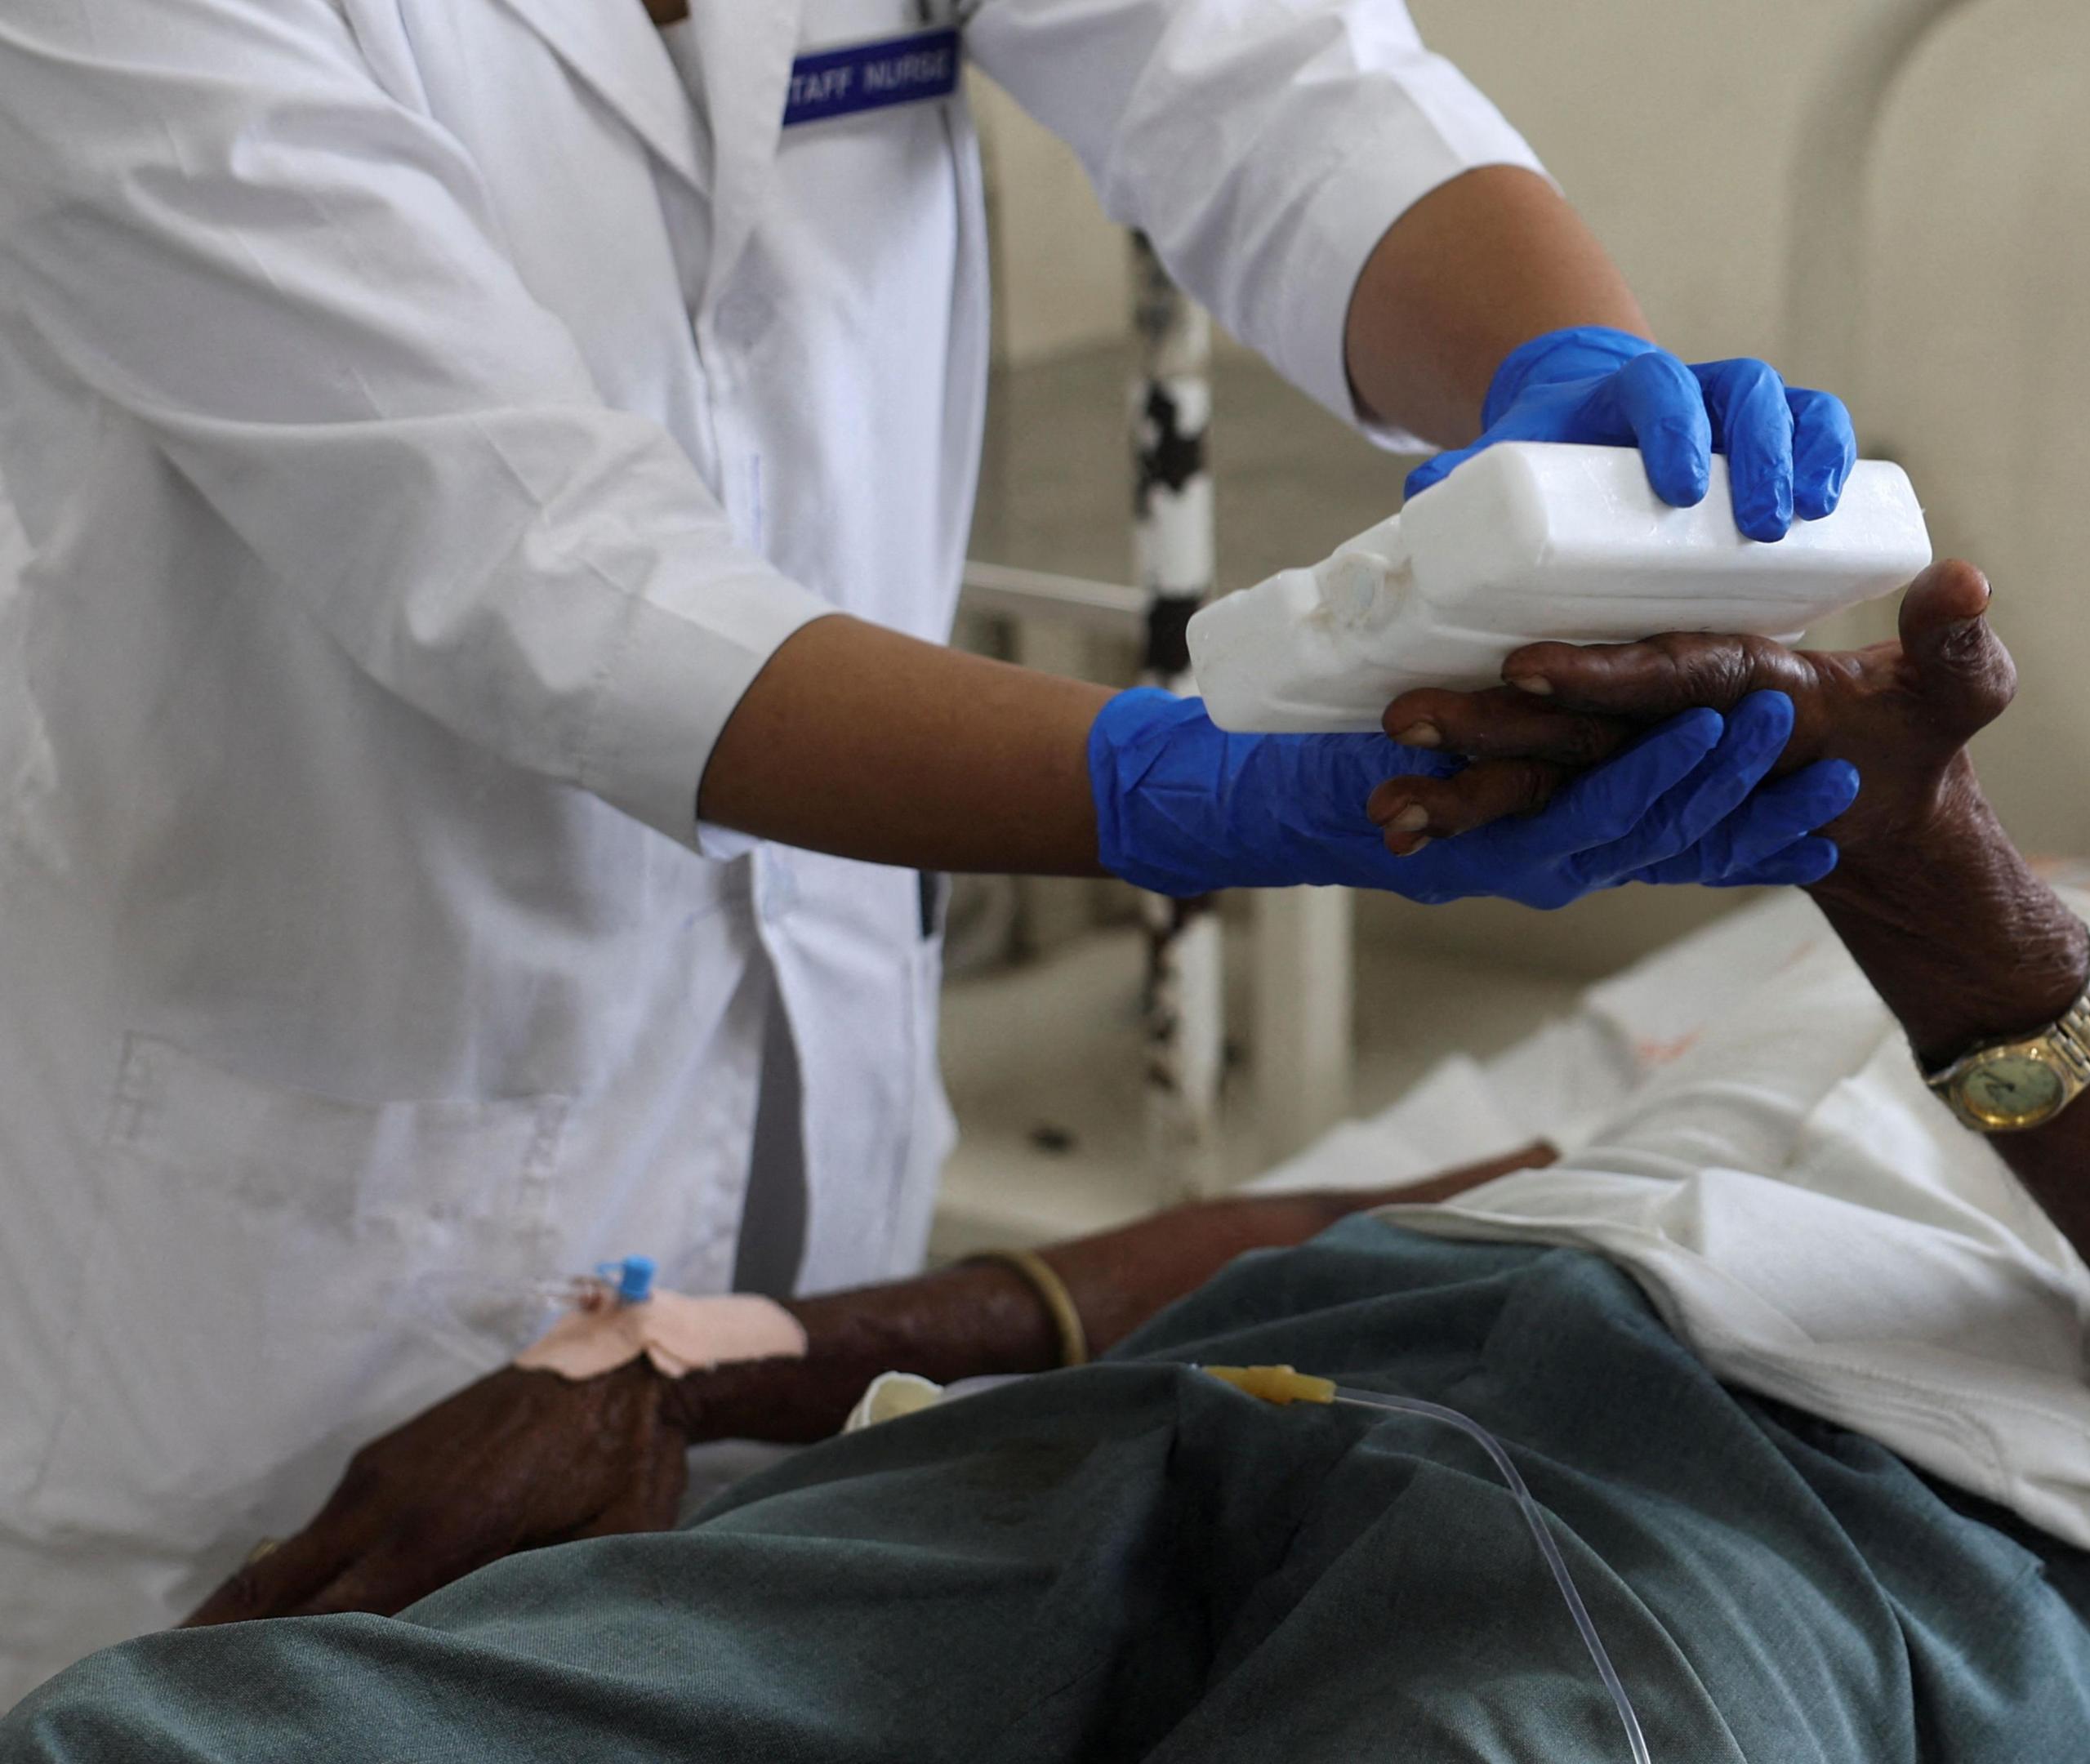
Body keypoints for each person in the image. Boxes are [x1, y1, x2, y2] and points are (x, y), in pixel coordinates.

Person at [5, 517, 2090, 1763]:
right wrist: (725, 1351)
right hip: (1324, 1388)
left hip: (1834, 1562)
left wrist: (1925, 874)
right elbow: (1411, 1222)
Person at [0, 0, 1869, 1696]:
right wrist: (1179, 783)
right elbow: (532, 566)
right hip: (287, 1222)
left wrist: (1562, 384)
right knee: (249, 1709)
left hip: (805, 1153)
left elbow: (1268, 71)